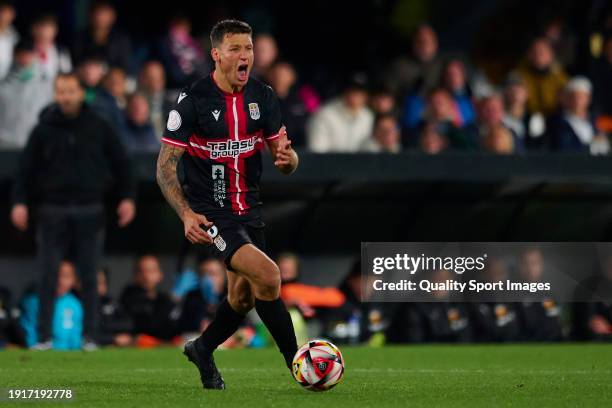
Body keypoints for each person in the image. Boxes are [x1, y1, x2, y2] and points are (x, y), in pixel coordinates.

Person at [156, 20, 299, 390]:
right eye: (235, 48)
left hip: (250, 209)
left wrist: (289, 160)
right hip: (213, 211)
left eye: (248, 48)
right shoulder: (193, 101)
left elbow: (286, 158)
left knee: (242, 297)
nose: (244, 55)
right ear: (216, 55)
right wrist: (186, 214)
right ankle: (301, 364)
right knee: (269, 276)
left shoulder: (263, 97)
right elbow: (165, 167)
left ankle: (202, 349)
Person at [10, 72, 136, 350]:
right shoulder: (43, 129)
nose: (65, 97)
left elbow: (122, 163)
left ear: (81, 93)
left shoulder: (99, 125)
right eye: (60, 91)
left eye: (70, 91)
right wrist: (19, 202)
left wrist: (127, 197)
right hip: (52, 209)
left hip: (90, 208)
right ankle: (43, 337)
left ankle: (89, 336)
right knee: (47, 275)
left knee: (90, 275)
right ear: (55, 95)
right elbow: (25, 170)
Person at [0, 39, 54, 149]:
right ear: (14, 55)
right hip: (6, 144)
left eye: (29, 54)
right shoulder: (3, 85)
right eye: (21, 54)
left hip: (36, 145)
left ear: (35, 55)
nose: (25, 58)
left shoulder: (47, 84)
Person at [306, 73, 374, 152]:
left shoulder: (368, 116)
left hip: (362, 163)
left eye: (360, 92)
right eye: (352, 90)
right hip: (330, 163)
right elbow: (317, 151)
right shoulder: (325, 114)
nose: (356, 95)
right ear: (345, 91)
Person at [120, 255, 181, 342]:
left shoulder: (165, 300)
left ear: (160, 274)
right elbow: (147, 326)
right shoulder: (127, 298)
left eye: (151, 271)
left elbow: (176, 328)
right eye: (142, 271)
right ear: (135, 275)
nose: (146, 276)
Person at [548, 76, 609, 154]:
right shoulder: (557, 123)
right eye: (573, 97)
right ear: (566, 99)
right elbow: (564, 148)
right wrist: (591, 147)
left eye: (581, 97)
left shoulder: (597, 120)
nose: (577, 101)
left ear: (589, 98)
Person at [72, 0, 131, 71]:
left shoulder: (121, 40)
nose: (102, 18)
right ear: (91, 15)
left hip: (111, 77)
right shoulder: (79, 38)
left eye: (105, 14)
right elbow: (75, 63)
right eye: (99, 13)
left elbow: (123, 67)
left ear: (113, 16)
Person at [516, 37, 568, 117]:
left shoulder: (559, 76)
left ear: (551, 54)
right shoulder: (520, 75)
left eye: (542, 52)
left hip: (555, 117)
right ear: (528, 54)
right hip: (527, 116)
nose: (538, 56)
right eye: (534, 52)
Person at [138, 61, 175, 137]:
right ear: (141, 79)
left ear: (163, 81)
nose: (154, 84)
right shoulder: (134, 105)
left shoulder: (173, 106)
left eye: (157, 80)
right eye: (149, 79)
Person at [31, 13, 72, 81]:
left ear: (55, 30)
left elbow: (67, 77)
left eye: (49, 28)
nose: (44, 32)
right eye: (41, 27)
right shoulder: (24, 51)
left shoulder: (61, 52)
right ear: (33, 29)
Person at [0, 0, 18, 79]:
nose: (3, 16)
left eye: (7, 13)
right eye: (2, 11)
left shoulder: (14, 35)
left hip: (6, 80)